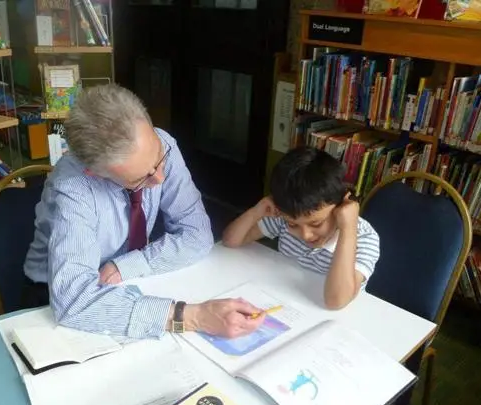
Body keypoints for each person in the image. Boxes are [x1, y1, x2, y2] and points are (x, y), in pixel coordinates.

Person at [23, 84, 266, 340]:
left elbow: (198, 234)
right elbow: (73, 301)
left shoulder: (162, 143)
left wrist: (130, 264)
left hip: (127, 279)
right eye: (141, 179)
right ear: (95, 173)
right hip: (51, 296)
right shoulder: (74, 186)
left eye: (159, 159)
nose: (160, 178)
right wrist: (193, 317)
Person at [222, 147, 381, 310]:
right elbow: (231, 240)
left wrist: (348, 229)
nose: (305, 234)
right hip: (289, 303)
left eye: (316, 224)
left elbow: (336, 301)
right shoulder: (287, 217)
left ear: (341, 205)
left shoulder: (363, 239)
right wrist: (257, 210)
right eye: (293, 224)